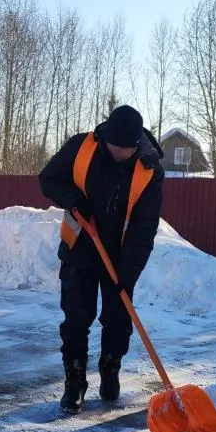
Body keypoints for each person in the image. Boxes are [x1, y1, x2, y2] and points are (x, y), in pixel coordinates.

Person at [39, 104, 165, 413]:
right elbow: (48, 179)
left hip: (121, 257)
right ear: (106, 135)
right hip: (80, 250)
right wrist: (72, 198)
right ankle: (75, 382)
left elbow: (145, 226)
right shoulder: (81, 147)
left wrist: (129, 271)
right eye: (115, 146)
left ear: (137, 144)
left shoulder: (150, 170)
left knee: (118, 321)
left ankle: (111, 369)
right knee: (76, 319)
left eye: (127, 148)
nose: (120, 153)